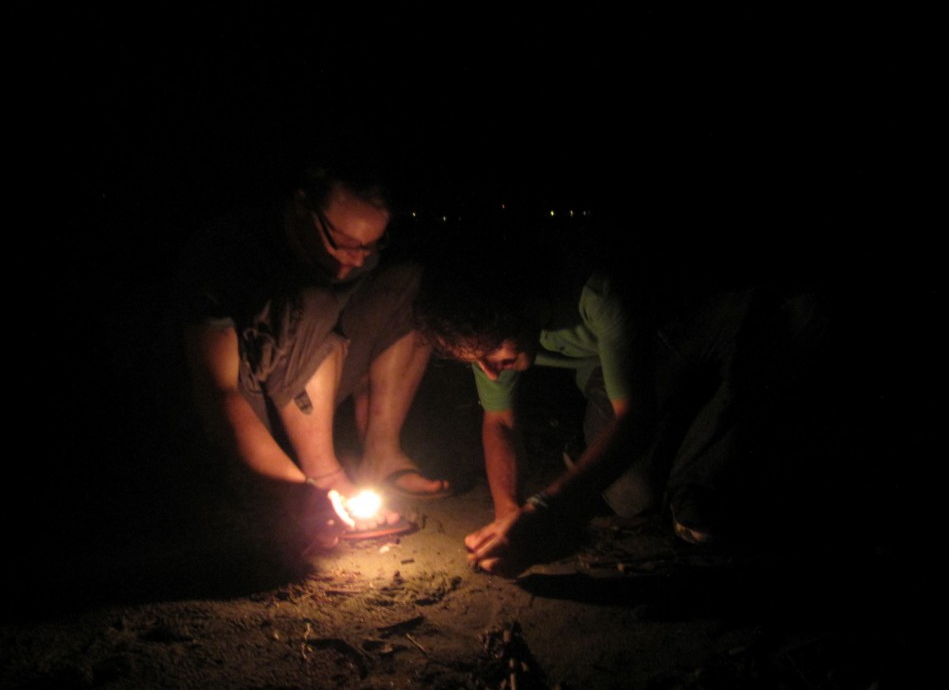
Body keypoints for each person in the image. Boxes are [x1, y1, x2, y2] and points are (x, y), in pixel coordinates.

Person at [413, 220, 838, 577]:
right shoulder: (485, 323)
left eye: (492, 355)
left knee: (797, 323)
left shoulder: (594, 289)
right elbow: (499, 421)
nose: (487, 370)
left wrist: (546, 509)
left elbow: (633, 417)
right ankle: (640, 447)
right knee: (631, 495)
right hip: (612, 364)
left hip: (694, 324)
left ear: (524, 307)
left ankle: (699, 476)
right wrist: (510, 514)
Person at [167, 150, 452, 549]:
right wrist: (299, 498)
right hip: (246, 404)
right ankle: (321, 478)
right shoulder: (227, 252)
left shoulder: (359, 258)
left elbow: (353, 334)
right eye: (345, 243)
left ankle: (381, 454)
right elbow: (218, 394)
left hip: (309, 383)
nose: (358, 259)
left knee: (410, 283)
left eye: (371, 245)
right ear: (302, 207)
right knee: (314, 303)